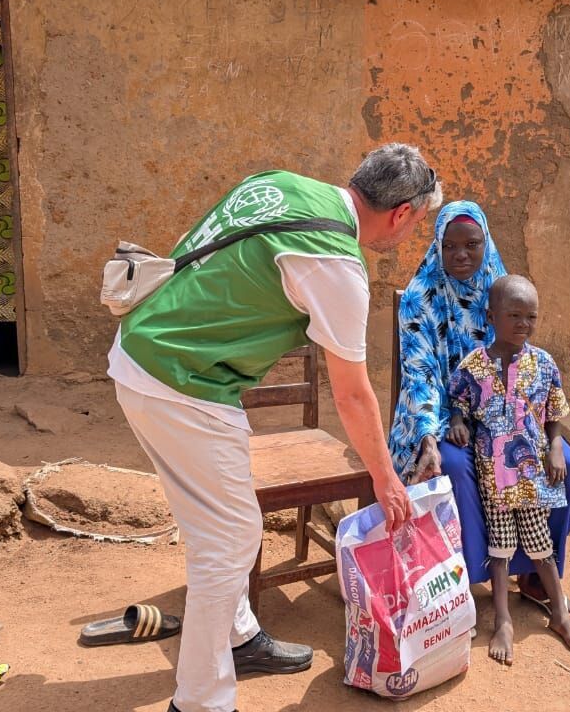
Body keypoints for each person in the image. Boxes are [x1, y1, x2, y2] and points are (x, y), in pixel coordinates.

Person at [108, 143, 442, 712]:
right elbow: (353, 395)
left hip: (148, 353)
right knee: (232, 539)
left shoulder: (280, 182)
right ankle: (199, 702)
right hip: (180, 383)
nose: (409, 237)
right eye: (417, 226)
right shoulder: (337, 263)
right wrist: (385, 479)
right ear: (402, 212)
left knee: (221, 528)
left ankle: (237, 637)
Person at [387, 201, 570, 621]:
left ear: (485, 244)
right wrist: (427, 436)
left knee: (569, 465)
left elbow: (531, 366)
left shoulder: (500, 289)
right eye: (450, 246)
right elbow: (419, 373)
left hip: (512, 420)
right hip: (447, 416)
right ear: (437, 247)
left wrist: (545, 435)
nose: (461, 255)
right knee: (457, 467)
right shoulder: (420, 297)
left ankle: (535, 575)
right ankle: (472, 577)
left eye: (472, 244)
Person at [446, 274, 570, 663]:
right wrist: (458, 421)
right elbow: (458, 401)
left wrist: (556, 445)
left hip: (531, 478)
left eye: (531, 317)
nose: (523, 324)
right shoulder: (474, 365)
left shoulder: (543, 364)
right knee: (500, 550)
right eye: (514, 315)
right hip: (494, 478)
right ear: (491, 316)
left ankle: (559, 612)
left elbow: (554, 414)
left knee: (541, 546)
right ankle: (503, 620)